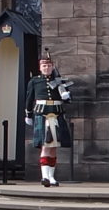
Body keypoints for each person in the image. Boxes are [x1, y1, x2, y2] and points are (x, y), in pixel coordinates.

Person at [25, 53, 73, 186]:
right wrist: (28, 114)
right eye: (44, 65)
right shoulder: (34, 81)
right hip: (42, 114)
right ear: (40, 67)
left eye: (49, 65)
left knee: (53, 147)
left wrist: (66, 95)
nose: (47, 68)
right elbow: (29, 99)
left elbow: (68, 100)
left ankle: (51, 177)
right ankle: (44, 176)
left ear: (52, 66)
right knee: (46, 146)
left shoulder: (59, 81)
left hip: (57, 114)